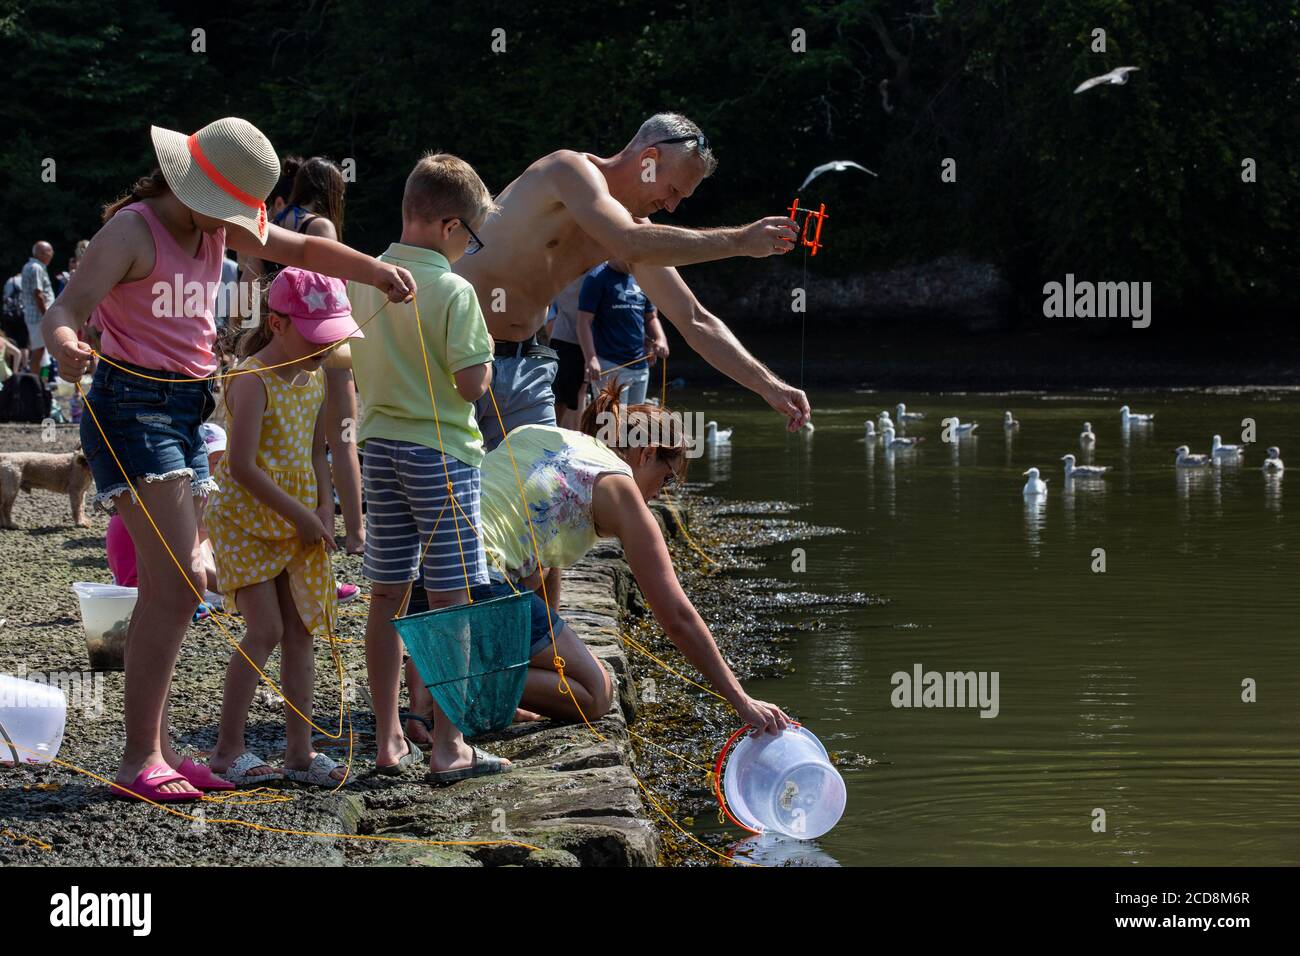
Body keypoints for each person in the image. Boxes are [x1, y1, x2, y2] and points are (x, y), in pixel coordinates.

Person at [40, 116, 415, 803]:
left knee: (174, 588)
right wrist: (65, 344)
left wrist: (378, 273)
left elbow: (307, 247)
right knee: (179, 586)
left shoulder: (213, 227)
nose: (228, 224)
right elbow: (66, 307)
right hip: (130, 408)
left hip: (186, 408)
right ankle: (137, 760)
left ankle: (153, 749)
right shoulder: (130, 230)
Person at [456, 111, 810, 607]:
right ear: (648, 159)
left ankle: (544, 660)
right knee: (448, 517)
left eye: (680, 201)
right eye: (672, 191)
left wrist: (770, 387)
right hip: (460, 355)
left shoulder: (637, 231)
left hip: (529, 363)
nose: (669, 205)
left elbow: (695, 319)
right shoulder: (569, 172)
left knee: (545, 519)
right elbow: (623, 240)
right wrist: (736, 242)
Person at [406, 379, 790, 734]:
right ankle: (450, 674)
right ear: (647, 453)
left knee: (552, 668)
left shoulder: (548, 437)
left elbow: (539, 564)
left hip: (422, 579)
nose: (662, 493)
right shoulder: (619, 487)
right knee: (595, 694)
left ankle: (435, 675)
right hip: (477, 583)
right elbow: (676, 616)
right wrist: (740, 699)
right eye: (668, 477)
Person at [347, 152, 507, 783]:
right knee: (450, 599)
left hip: (377, 448)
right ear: (447, 226)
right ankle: (449, 744)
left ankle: (387, 740)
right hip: (441, 455)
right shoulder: (454, 290)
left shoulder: (364, 278)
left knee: (385, 593)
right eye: (470, 236)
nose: (470, 248)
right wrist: (486, 356)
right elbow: (472, 386)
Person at [205, 268, 361, 788]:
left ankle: (300, 750)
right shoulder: (251, 379)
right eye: (315, 337)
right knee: (265, 629)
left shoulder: (314, 378)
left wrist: (324, 508)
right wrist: (302, 515)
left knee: (301, 632)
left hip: (296, 519)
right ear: (276, 323)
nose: (324, 349)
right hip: (245, 519)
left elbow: (318, 453)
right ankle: (228, 749)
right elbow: (243, 467)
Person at [246, 158, 364, 555]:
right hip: (318, 335)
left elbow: (250, 280)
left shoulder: (274, 220)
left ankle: (283, 519)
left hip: (274, 337)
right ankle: (356, 533)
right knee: (341, 437)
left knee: (283, 438)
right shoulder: (321, 227)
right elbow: (333, 290)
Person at [577, 257, 667, 407]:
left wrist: (660, 338)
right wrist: (591, 358)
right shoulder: (596, 278)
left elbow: (651, 317)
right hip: (609, 365)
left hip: (640, 365)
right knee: (609, 425)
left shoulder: (643, 278)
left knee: (635, 425)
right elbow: (583, 323)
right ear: (616, 250)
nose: (634, 263)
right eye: (630, 258)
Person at [547, 272, 591, 429]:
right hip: (567, 341)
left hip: (598, 343)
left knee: (580, 395)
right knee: (564, 398)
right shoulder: (569, 268)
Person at [21, 241, 55, 373]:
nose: (52, 254)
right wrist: (47, 315)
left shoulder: (30, 266)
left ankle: (40, 383)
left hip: (34, 316)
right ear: (41, 253)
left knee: (41, 351)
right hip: (38, 317)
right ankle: (34, 386)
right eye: (50, 251)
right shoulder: (36, 268)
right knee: (38, 351)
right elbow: (38, 294)